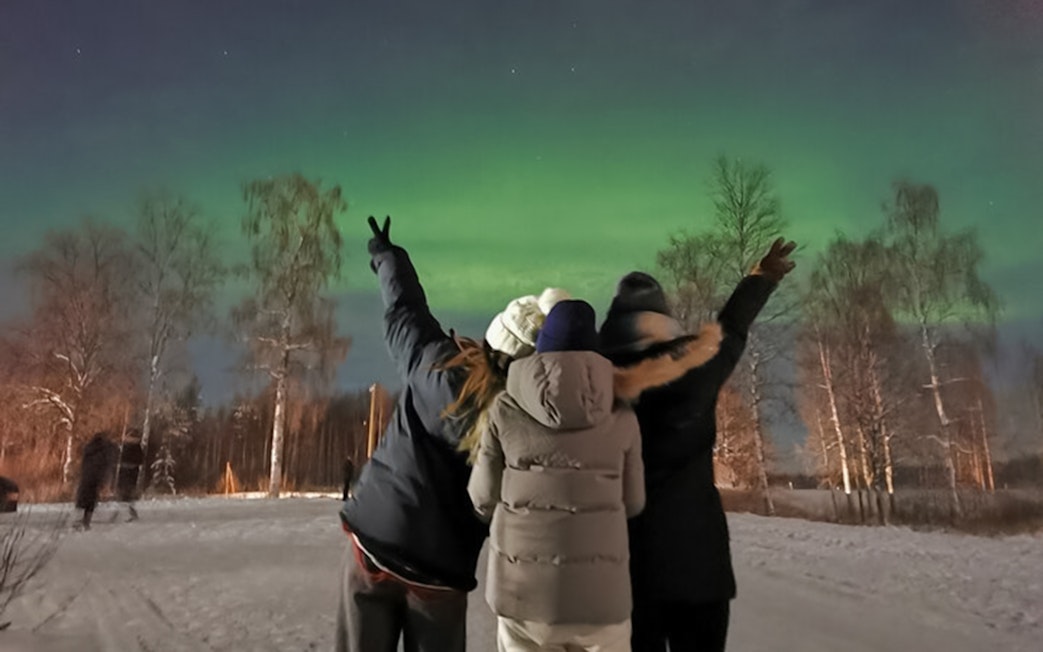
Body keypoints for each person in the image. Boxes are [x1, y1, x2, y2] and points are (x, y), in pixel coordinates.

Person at [336, 215, 568, 652]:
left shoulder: (433, 361)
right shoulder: (521, 422)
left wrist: (389, 257)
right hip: (441, 569)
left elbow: (404, 309)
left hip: (376, 539)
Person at [598, 238, 797, 652]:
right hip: (700, 565)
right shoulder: (697, 369)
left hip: (628, 569)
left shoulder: (595, 383)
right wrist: (761, 278)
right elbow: (732, 329)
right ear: (663, 320)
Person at [75, 433, 117, 531]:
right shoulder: (104, 451)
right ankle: (86, 521)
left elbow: (84, 463)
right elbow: (105, 466)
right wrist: (104, 480)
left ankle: (81, 519)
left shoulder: (88, 449)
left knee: (83, 498)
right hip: (95, 478)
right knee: (91, 501)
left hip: (86, 477)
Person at [114, 430, 142, 522]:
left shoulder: (130, 447)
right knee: (126, 495)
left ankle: (125, 514)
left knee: (125, 494)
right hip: (128, 473)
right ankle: (128, 513)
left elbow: (138, 460)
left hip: (128, 473)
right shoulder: (129, 447)